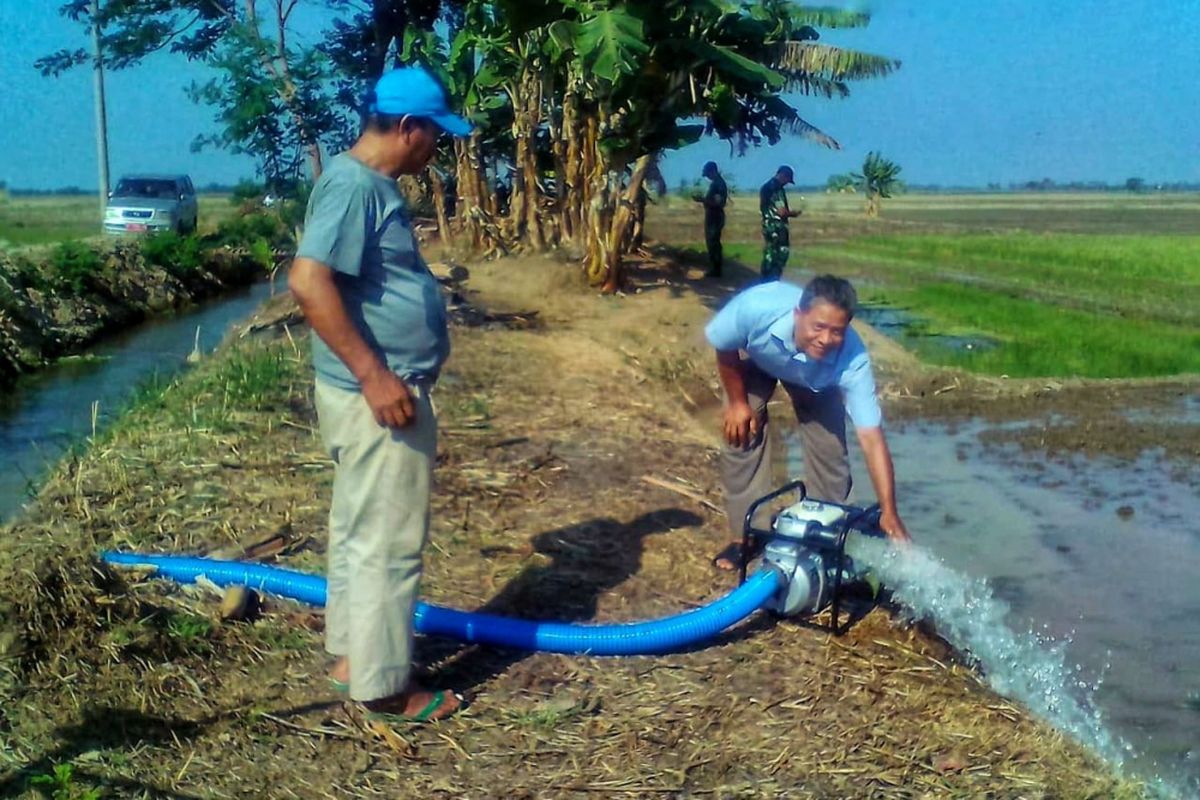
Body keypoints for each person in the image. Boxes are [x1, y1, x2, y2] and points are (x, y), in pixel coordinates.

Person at [288, 65, 472, 724]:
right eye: (434, 135)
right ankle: (385, 685)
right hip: (379, 398)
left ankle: (353, 657)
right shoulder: (354, 187)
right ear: (406, 128)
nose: (436, 149)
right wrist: (376, 374)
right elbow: (309, 282)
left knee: (358, 530)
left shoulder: (365, 185)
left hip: (372, 394)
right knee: (388, 543)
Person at [705, 274, 911, 570]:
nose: (826, 339)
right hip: (760, 359)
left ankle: (825, 534)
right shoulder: (755, 307)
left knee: (831, 451)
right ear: (798, 314)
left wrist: (889, 512)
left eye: (837, 331)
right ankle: (745, 538)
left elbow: (871, 438)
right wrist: (738, 403)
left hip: (815, 381)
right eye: (818, 327)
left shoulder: (853, 359)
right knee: (740, 429)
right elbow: (724, 346)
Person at [759, 165, 802, 281]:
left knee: (769, 253)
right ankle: (772, 279)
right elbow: (781, 212)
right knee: (780, 255)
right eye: (787, 180)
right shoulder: (776, 189)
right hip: (777, 227)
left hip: (768, 226)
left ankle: (765, 279)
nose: (787, 183)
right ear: (783, 176)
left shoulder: (766, 187)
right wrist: (793, 213)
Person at [693, 161, 728, 277]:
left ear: (712, 171)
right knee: (712, 242)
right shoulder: (716, 183)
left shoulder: (719, 184)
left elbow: (718, 203)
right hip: (713, 216)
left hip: (715, 217)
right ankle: (715, 268)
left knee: (713, 243)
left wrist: (702, 200)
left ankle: (716, 270)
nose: (707, 177)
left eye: (708, 174)